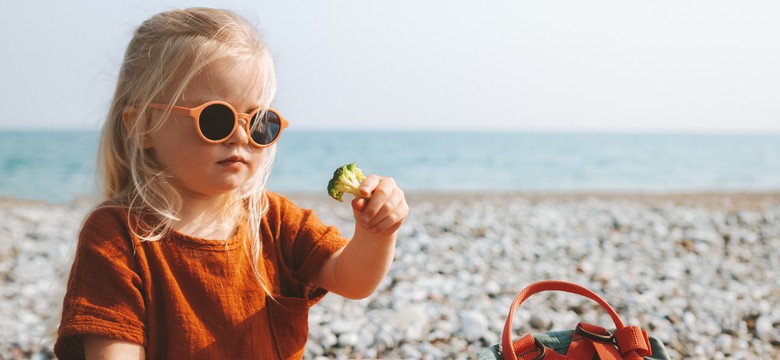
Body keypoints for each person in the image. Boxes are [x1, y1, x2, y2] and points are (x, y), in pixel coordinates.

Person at [54, 7, 408, 359]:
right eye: (216, 117)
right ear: (143, 125)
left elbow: (353, 279)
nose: (240, 136)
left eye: (258, 122)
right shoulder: (118, 236)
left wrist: (376, 234)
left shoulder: (274, 220)